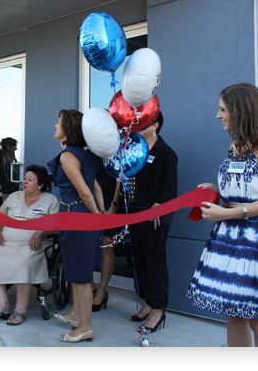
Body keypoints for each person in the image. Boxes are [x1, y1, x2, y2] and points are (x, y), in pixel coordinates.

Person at [187, 83, 258, 347]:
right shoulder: (236, 143)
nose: (218, 115)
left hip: (257, 240)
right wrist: (216, 190)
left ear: (239, 110)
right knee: (234, 314)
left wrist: (228, 213)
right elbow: (246, 189)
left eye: (223, 109)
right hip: (228, 236)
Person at [47, 109, 105, 343]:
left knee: (81, 276)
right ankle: (75, 315)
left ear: (68, 130)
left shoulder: (68, 156)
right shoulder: (82, 154)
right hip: (78, 216)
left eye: (58, 123)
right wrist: (100, 214)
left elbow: (85, 191)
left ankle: (86, 328)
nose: (55, 126)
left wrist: (97, 216)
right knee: (76, 270)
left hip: (77, 217)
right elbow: (97, 188)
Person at [119, 111, 177, 333]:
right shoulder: (136, 152)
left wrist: (158, 206)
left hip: (155, 218)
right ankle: (145, 303)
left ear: (155, 126)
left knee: (155, 263)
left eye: (143, 123)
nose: (137, 127)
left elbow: (170, 187)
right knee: (139, 261)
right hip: (135, 214)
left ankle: (158, 311)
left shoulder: (166, 153)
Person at [0, 165, 58, 325]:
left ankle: (20, 311)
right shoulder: (14, 196)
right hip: (6, 243)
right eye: (25, 178)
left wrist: (41, 232)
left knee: (22, 264)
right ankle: (3, 306)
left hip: (31, 246)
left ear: (40, 184)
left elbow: (55, 225)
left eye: (30, 179)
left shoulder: (50, 200)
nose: (25, 181)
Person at [88, 151, 122, 312]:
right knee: (85, 246)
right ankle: (91, 288)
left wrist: (114, 204)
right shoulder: (83, 149)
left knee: (106, 248)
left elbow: (120, 178)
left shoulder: (112, 148)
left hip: (109, 199)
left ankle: (102, 291)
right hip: (88, 198)